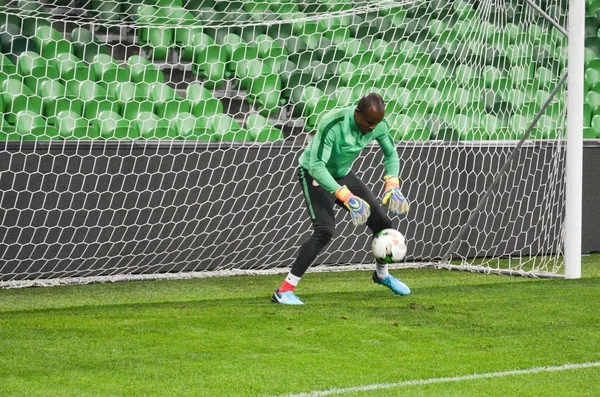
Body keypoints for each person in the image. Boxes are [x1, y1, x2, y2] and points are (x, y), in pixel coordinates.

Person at [272, 93, 410, 305]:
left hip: (342, 173)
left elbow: (390, 154)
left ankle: (382, 274)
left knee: (383, 223)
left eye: (376, 123)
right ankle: (284, 290)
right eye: (369, 122)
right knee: (325, 230)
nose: (372, 128)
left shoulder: (378, 125)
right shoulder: (333, 124)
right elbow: (317, 166)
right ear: (357, 114)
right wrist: (346, 196)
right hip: (314, 174)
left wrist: (393, 183)